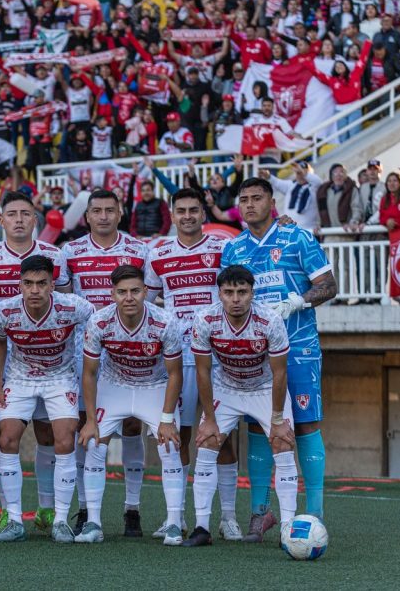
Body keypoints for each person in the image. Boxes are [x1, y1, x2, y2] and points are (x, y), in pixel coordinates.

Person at [221, 177, 337, 537]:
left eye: (257, 198)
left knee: (304, 424)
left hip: (299, 346)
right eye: (244, 199)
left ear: (272, 202)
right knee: (258, 427)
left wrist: (297, 301)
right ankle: (260, 512)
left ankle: (314, 513)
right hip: (254, 351)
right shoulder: (233, 248)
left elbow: (329, 286)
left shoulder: (297, 237)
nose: (250, 204)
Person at [0, 191, 69, 532]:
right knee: (4, 434)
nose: (19, 220)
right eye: (12, 214)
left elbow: (65, 307)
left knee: (47, 433)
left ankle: (47, 508)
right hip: (3, 356)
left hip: (50, 360)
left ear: (35, 219)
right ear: (1, 220)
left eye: (26, 214)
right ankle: (8, 511)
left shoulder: (55, 256)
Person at [142, 188, 242, 541]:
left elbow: (237, 288)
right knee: (178, 436)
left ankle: (228, 517)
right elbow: (148, 302)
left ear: (203, 214)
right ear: (172, 214)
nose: (187, 216)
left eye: (194, 210)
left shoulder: (222, 248)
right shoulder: (158, 253)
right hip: (178, 357)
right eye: (181, 210)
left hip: (218, 356)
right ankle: (177, 517)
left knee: (221, 437)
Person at [182, 265, 298, 547]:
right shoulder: (205, 319)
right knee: (207, 442)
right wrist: (209, 418)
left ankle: (288, 528)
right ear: (219, 294)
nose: (236, 299)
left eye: (242, 292)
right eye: (229, 292)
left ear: (252, 293)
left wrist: (278, 419)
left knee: (283, 443)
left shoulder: (270, 320)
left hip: (265, 388)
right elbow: (202, 371)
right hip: (227, 387)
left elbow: (280, 372)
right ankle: (201, 527)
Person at [59, 189, 150, 536]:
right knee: (87, 428)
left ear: (120, 213)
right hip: (86, 352)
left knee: (132, 426)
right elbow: (65, 298)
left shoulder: (139, 250)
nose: (103, 216)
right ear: (87, 216)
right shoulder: (71, 251)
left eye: (109, 210)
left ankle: (132, 509)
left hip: (130, 351)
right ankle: (85, 509)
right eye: (96, 211)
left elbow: (149, 296)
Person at [75, 264, 186, 546]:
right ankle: (93, 523)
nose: (129, 297)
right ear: (112, 294)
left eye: (135, 291)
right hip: (115, 385)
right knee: (94, 442)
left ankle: (174, 523)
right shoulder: (99, 321)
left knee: (170, 445)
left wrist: (166, 419)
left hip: (154, 385)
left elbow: (175, 373)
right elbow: (89, 373)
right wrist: (90, 420)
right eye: (122, 292)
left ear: (146, 292)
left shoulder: (165, 321)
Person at [0, 255, 95, 543]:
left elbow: (98, 324)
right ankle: (14, 520)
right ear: (19, 285)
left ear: (52, 285)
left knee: (65, 438)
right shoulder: (4, 311)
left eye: (41, 283)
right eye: (28, 283)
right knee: (6, 438)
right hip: (19, 378)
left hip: (59, 378)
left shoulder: (74, 306)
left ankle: (60, 520)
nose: (34, 290)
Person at [262, 162, 322, 230]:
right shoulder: (291, 185)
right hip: (290, 230)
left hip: (308, 230)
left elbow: (318, 181)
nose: (300, 175)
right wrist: (268, 176)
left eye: (302, 173)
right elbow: (276, 182)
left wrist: (302, 172)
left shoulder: (314, 187)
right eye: (298, 173)